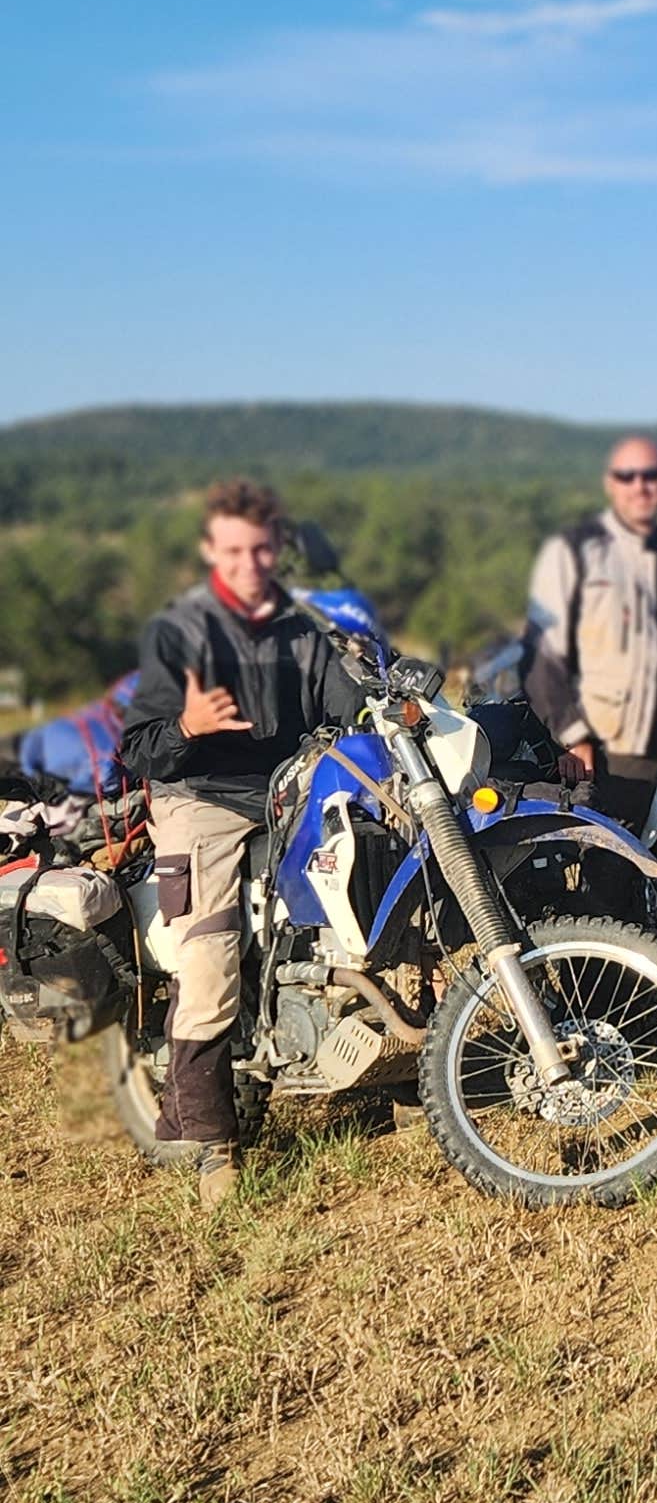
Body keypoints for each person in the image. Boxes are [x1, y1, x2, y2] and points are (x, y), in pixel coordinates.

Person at [117, 479, 367, 1203]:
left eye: (262, 548)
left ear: (278, 548)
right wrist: (188, 726)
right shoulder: (179, 634)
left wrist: (381, 697)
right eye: (234, 550)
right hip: (201, 799)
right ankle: (211, 1144)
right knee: (211, 956)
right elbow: (140, 749)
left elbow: (343, 703)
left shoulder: (300, 630)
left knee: (371, 891)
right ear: (210, 551)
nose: (250, 562)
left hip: (289, 792)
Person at [523, 434, 657, 829]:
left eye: (651, 475)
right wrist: (574, 737)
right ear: (611, 484)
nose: (640, 485)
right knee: (616, 867)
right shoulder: (573, 554)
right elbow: (541, 658)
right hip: (613, 742)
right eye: (627, 476)